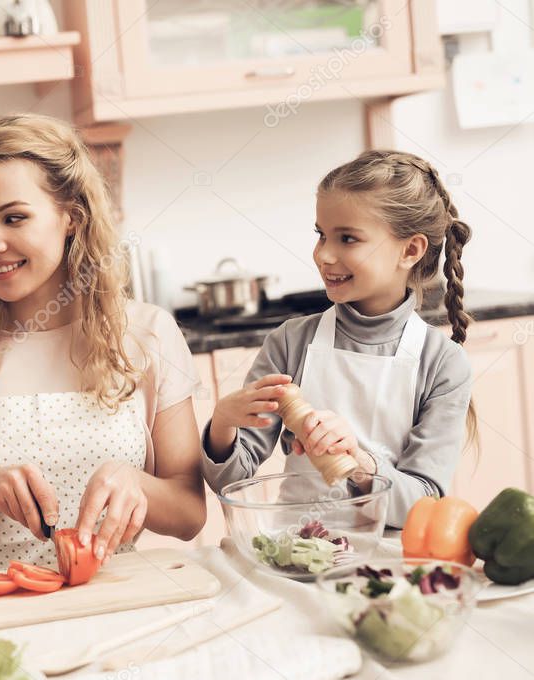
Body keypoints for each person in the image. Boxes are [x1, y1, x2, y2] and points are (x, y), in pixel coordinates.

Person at [0, 114, 207, 575]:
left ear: (71, 217)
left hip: (118, 605)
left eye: (13, 217)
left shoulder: (148, 335)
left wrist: (138, 485)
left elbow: (189, 515)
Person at [202, 150, 476, 527]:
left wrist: (361, 464)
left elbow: (424, 507)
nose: (324, 255)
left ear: (410, 250)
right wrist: (222, 424)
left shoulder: (443, 364)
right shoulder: (290, 343)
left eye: (347, 238)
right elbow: (230, 481)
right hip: (297, 554)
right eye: (321, 235)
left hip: (388, 565)